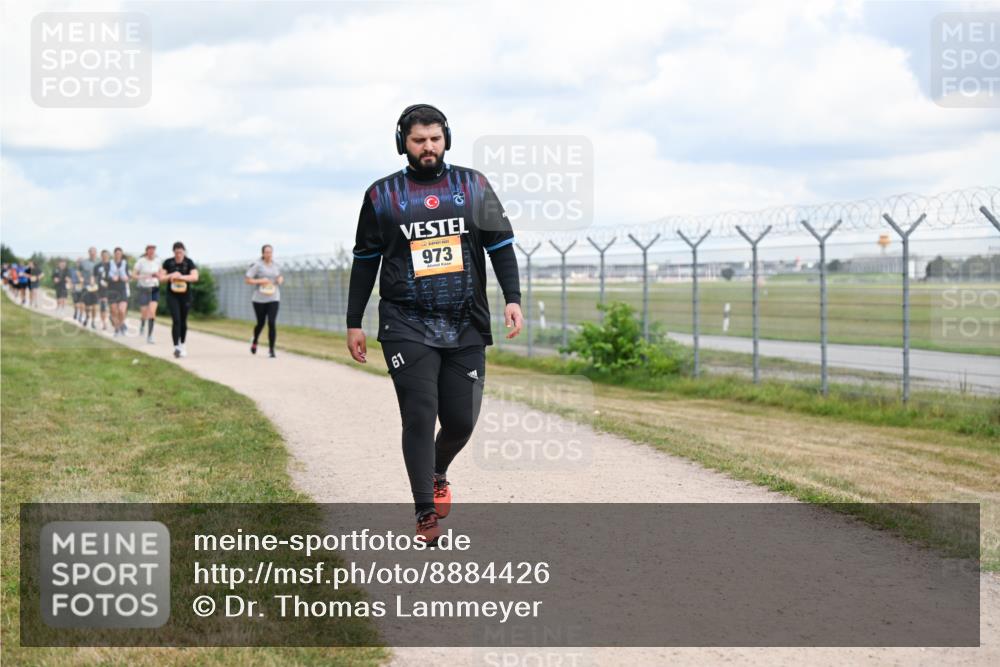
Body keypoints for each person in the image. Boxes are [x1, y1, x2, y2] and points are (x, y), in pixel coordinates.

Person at [346, 104, 523, 544]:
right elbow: (365, 262)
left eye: (435, 139)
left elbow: (500, 246)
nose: (428, 147)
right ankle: (425, 510)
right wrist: (354, 321)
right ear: (402, 143)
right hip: (406, 321)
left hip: (465, 321)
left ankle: (438, 470)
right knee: (420, 416)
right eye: (418, 140)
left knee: (460, 421)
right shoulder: (381, 196)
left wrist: (513, 299)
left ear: (447, 139)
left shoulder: (473, 186)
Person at [245, 244, 283, 358]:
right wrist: (260, 280)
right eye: (266, 252)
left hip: (274, 297)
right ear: (262, 253)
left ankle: (271, 350)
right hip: (259, 299)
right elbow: (248, 280)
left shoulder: (276, 265)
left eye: (270, 252)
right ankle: (255, 340)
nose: (269, 254)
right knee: (260, 323)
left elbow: (280, 276)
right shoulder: (257, 265)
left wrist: (280, 280)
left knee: (271, 322)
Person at [161, 241, 199, 358]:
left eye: (181, 253)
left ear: (184, 252)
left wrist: (180, 277)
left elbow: (195, 277)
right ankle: (176, 346)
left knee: (183, 320)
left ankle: (182, 344)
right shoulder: (168, 262)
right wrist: (171, 276)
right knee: (176, 320)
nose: (178, 255)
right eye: (176, 253)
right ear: (173, 252)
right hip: (172, 295)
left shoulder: (189, 262)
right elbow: (161, 278)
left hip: (185, 295)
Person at [134, 244, 162, 344]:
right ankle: (142, 325)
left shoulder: (158, 261)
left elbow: (161, 274)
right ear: (146, 251)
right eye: (150, 250)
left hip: (154, 288)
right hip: (143, 289)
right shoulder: (141, 261)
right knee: (144, 313)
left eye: (153, 250)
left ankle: (150, 335)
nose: (151, 252)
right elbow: (134, 275)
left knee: (152, 312)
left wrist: (158, 275)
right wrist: (146, 276)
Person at [108, 247, 131, 336]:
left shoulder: (125, 263)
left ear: (121, 254)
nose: (118, 255)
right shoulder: (109, 263)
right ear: (114, 254)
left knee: (121, 311)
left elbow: (128, 275)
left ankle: (121, 325)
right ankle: (117, 329)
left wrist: (126, 278)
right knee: (114, 311)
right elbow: (105, 276)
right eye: (116, 253)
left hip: (122, 289)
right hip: (112, 290)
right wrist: (111, 278)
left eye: (119, 253)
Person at [79, 248, 99, 328]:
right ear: (89, 253)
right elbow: (79, 271)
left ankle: (93, 321)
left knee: (95, 306)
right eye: (91, 252)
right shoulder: (84, 262)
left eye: (94, 252)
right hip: (86, 286)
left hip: (96, 287)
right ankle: (87, 317)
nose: (93, 254)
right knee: (87, 306)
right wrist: (80, 277)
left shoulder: (99, 262)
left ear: (96, 253)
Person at [94, 250, 113, 331]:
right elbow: (94, 277)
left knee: (112, 306)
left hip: (112, 288)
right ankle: (104, 323)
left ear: (109, 256)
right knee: (103, 306)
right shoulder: (97, 266)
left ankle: (112, 317)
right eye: (103, 255)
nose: (105, 256)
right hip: (101, 289)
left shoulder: (112, 265)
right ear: (101, 256)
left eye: (106, 255)